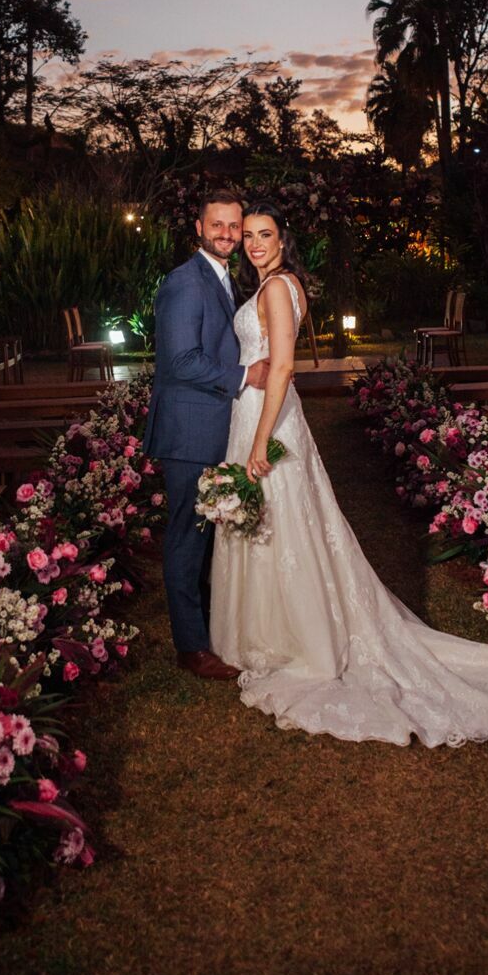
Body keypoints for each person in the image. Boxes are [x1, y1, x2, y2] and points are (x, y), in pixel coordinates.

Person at [210, 198, 488, 745]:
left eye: (263, 233)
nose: (253, 243)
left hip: (268, 417)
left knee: (277, 520)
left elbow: (286, 367)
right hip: (269, 414)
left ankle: (294, 639)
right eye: (247, 235)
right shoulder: (287, 285)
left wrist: (261, 439)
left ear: (282, 238)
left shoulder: (274, 287)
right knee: (287, 521)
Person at [143, 189, 269, 680]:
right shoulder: (185, 283)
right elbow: (180, 360)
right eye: (217, 225)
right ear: (199, 228)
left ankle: (207, 630)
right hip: (188, 433)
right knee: (185, 540)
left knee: (204, 537)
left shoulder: (218, 278)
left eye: (233, 227)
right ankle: (191, 648)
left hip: (210, 428)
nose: (226, 235)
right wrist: (244, 376)